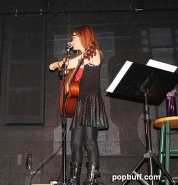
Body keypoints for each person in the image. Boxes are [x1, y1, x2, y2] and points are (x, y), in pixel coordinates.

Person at [49, 25, 108, 185]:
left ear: (83, 36)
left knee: (90, 142)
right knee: (75, 143)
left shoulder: (93, 53)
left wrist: (59, 63)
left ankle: (91, 179)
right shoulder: (80, 58)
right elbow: (70, 67)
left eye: (73, 36)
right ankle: (73, 179)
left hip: (91, 101)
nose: (71, 40)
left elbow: (71, 62)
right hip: (80, 103)